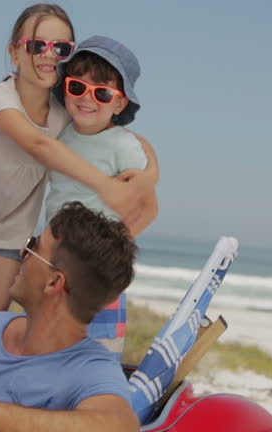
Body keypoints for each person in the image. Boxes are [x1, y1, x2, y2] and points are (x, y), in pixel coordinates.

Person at [0, 4, 159, 349]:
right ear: (15, 51)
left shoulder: (65, 115)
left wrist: (151, 174)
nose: (49, 54)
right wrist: (105, 187)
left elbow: (122, 137)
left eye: (62, 48)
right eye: (38, 45)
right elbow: (39, 145)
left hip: (11, 235)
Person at [0, 201, 139, 432]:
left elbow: (122, 426)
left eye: (33, 246)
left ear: (54, 282)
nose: (23, 253)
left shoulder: (91, 369)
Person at [45, 35, 158, 359]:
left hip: (97, 270)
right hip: (55, 264)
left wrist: (104, 254)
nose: (87, 100)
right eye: (78, 87)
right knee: (50, 347)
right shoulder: (61, 131)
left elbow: (149, 209)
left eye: (103, 93)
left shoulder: (123, 146)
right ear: (66, 86)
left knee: (96, 354)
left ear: (120, 103)